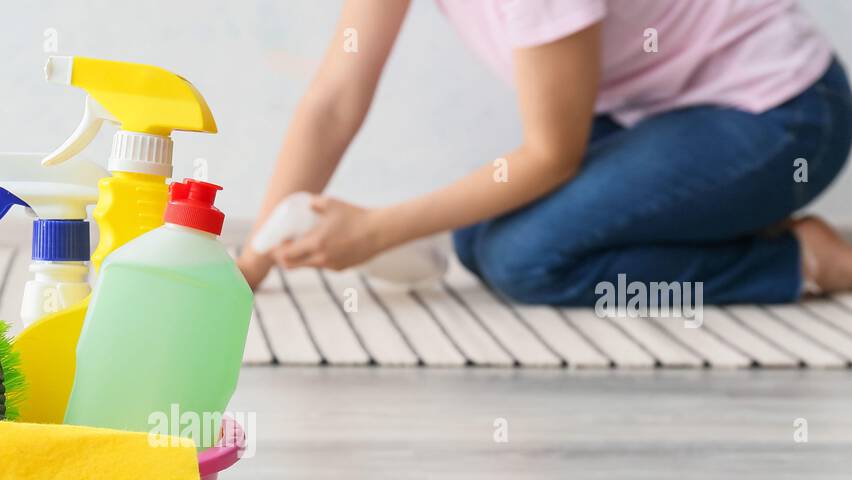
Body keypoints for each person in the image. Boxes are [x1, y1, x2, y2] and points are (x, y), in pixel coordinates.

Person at [237, 0, 852, 305]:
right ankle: (721, 212)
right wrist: (253, 262)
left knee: (524, 259)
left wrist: (374, 231)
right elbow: (336, 99)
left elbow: (550, 155)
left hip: (784, 113)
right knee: (476, 236)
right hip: (667, 115)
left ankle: (804, 260)